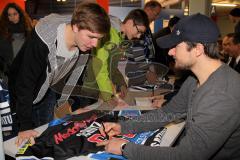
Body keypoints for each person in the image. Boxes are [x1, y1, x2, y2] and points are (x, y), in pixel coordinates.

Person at [97, 13, 240, 159]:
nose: (171, 52)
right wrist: (123, 127)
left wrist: (124, 148)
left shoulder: (222, 95)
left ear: (198, 49)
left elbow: (187, 156)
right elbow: (167, 113)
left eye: (176, 46)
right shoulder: (194, 79)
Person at [8, 2, 110, 146]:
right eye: (91, 36)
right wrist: (24, 126)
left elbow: (75, 79)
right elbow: (25, 83)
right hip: (20, 95)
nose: (95, 44)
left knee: (44, 138)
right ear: (75, 27)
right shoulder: (43, 39)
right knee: (20, 143)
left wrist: (75, 108)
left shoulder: (84, 46)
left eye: (99, 38)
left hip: (47, 89)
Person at [75, 9, 149, 108]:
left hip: (96, 88)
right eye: (139, 31)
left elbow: (112, 67)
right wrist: (109, 97)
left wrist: (121, 83)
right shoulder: (108, 33)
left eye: (141, 34)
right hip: (86, 88)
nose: (139, 36)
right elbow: (99, 67)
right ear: (130, 21)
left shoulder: (121, 38)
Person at [0, 3, 33, 80]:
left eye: (15, 14)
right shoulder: (2, 34)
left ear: (20, 14)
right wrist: (5, 68)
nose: (12, 17)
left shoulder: (29, 32)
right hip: (8, 76)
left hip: (27, 75)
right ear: (6, 16)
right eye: (9, 15)